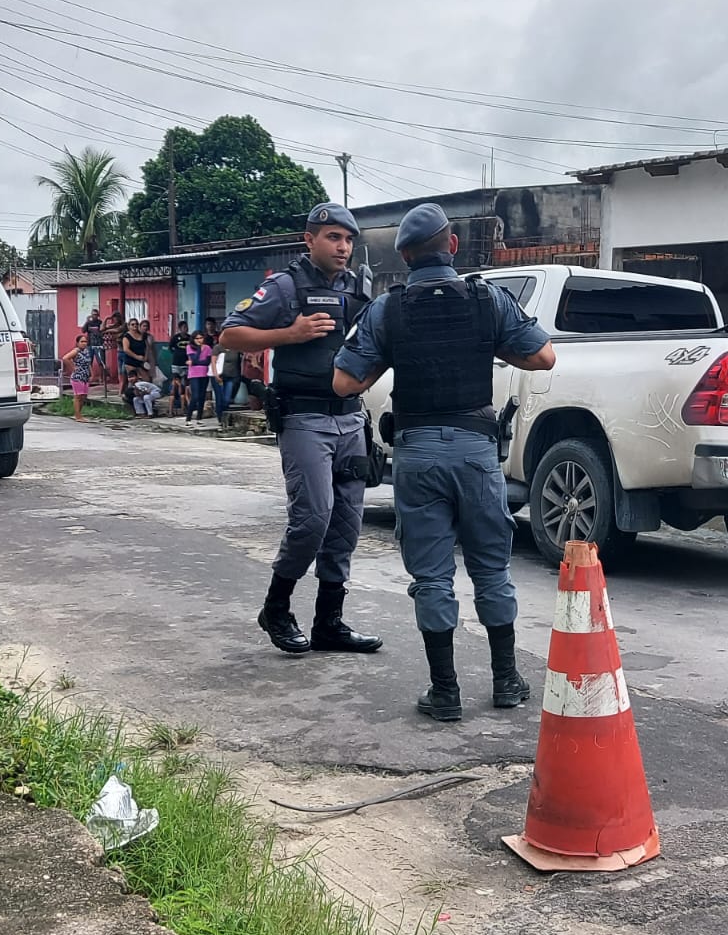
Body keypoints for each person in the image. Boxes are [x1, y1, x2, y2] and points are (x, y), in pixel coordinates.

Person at [333, 202, 556, 721]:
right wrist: (492, 343)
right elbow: (544, 356)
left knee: (432, 576)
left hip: (418, 454)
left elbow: (345, 382)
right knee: (491, 569)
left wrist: (393, 354)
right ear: (451, 244)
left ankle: (446, 691)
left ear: (405, 256)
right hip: (476, 449)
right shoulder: (488, 299)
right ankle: (505, 681)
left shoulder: (388, 309)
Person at [219, 202, 382, 656]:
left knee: (347, 524)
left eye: (348, 239)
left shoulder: (358, 290)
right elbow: (229, 335)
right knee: (313, 517)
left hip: (350, 417)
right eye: (333, 237)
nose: (343, 247)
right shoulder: (284, 288)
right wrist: (290, 334)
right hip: (304, 418)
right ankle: (276, 607)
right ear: (309, 240)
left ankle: (330, 622)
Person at [60, 333, 99, 421]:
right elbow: (65, 358)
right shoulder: (76, 351)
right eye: (82, 341)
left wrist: (92, 374)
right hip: (78, 376)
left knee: (83, 396)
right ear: (77, 343)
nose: (84, 343)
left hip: (85, 376)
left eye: (85, 341)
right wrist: (73, 368)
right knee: (78, 396)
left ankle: (79, 413)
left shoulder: (86, 351)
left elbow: (89, 364)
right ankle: (78, 416)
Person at [185, 330, 213, 422]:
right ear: (193, 339)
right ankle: (188, 418)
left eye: (201, 338)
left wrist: (195, 363)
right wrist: (198, 349)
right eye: (197, 338)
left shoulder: (208, 348)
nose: (199, 340)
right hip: (194, 374)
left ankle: (199, 418)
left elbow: (207, 362)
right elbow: (194, 359)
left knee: (202, 396)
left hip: (204, 373)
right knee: (195, 396)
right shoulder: (189, 347)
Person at [168, 320, 191, 415]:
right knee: (175, 385)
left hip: (186, 364)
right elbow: (170, 348)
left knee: (185, 385)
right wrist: (177, 353)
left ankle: (184, 407)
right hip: (176, 364)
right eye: (183, 327)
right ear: (180, 328)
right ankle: (170, 410)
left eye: (186, 327)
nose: (185, 329)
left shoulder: (190, 338)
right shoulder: (175, 338)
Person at [102, 304, 126, 384]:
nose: (114, 321)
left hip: (126, 351)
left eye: (115, 319)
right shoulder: (114, 325)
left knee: (124, 371)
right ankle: (121, 385)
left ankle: (123, 386)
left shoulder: (124, 325)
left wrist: (106, 331)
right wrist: (106, 319)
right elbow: (102, 328)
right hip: (119, 350)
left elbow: (117, 331)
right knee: (120, 371)